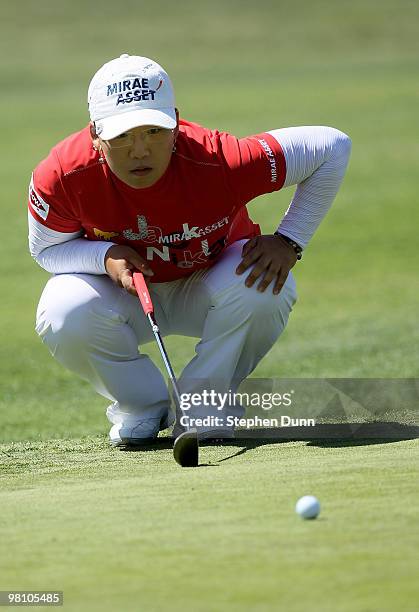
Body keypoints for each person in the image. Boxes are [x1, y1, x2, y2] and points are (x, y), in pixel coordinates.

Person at [28, 53, 351, 447]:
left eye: (153, 131)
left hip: (211, 282)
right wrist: (104, 257)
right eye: (122, 137)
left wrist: (289, 240)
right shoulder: (63, 175)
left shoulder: (219, 159)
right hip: (127, 296)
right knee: (63, 309)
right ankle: (143, 406)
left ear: (177, 124)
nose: (140, 150)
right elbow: (47, 251)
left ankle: (206, 404)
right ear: (95, 135)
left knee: (267, 286)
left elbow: (331, 146)